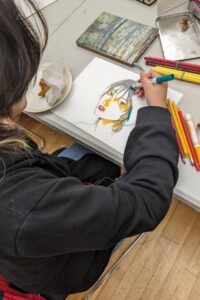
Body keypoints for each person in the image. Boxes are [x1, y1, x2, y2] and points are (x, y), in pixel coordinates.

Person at [0, 0, 179, 299]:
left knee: (89, 157)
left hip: (31, 228)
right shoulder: (25, 208)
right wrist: (157, 111)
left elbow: (41, 170)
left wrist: (111, 170)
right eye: (21, 81)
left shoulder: (9, 148)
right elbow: (148, 201)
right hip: (59, 269)